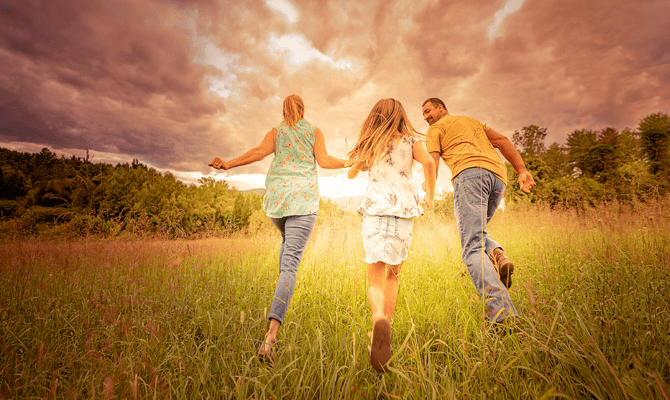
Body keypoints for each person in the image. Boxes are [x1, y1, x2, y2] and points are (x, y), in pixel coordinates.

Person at [209, 94, 346, 362]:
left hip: (277, 205)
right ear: (303, 111)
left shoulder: (277, 131)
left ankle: (280, 292)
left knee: (286, 251)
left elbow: (258, 153)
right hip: (303, 203)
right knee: (290, 266)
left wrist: (227, 163)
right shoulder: (314, 131)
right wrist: (351, 161)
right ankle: (270, 337)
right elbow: (325, 160)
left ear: (283, 112)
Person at [421, 97, 536, 330]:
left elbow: (430, 163)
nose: (426, 117)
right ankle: (497, 254)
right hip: (498, 178)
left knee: (471, 247)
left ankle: (502, 316)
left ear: (441, 107)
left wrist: (428, 191)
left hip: (470, 177)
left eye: (428, 111)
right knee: (478, 233)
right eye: (423, 115)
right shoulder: (472, 122)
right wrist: (521, 171)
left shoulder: (436, 129)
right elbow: (503, 141)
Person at [346, 98, 436, 372]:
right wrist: (429, 197)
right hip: (404, 212)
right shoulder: (412, 142)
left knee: (375, 276)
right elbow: (430, 163)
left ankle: (377, 319)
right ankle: (387, 326)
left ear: (375, 117)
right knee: (393, 275)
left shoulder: (370, 143)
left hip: (375, 212)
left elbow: (351, 174)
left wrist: (363, 163)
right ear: (401, 116)